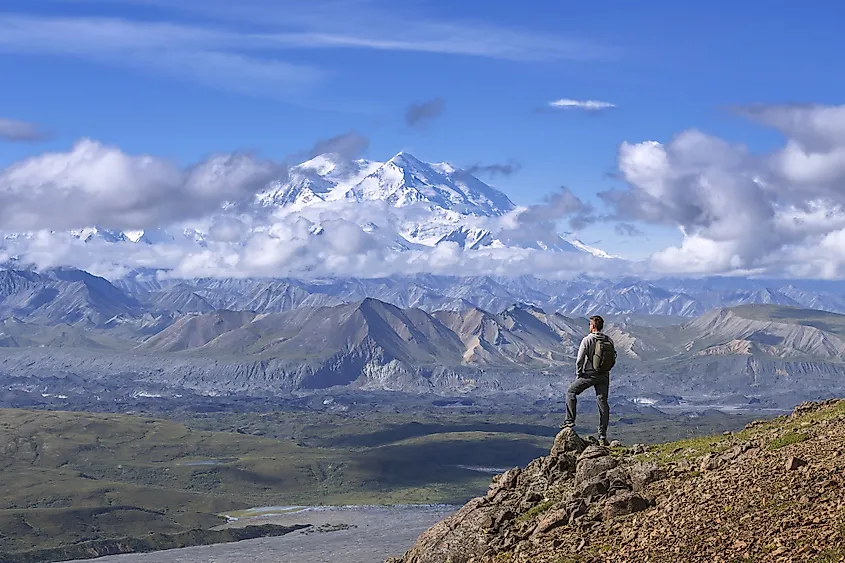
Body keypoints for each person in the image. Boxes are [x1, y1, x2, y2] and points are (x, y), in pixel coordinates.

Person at [561, 315, 616, 446]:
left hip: (589, 374)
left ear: (592, 326)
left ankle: (569, 421)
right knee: (602, 402)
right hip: (604, 375)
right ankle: (602, 436)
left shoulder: (587, 339)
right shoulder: (609, 340)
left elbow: (580, 359)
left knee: (571, 392)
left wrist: (579, 374)